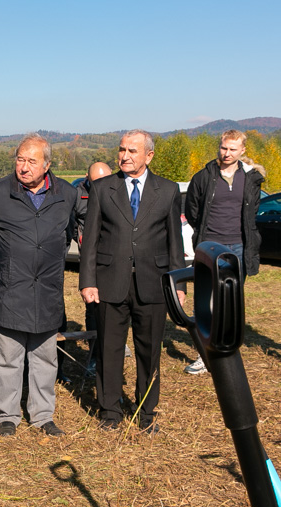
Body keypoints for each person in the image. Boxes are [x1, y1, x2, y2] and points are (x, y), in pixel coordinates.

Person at [79, 130, 186, 434]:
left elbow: (174, 244)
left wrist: (178, 285)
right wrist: (88, 281)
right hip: (110, 283)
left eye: (132, 151)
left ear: (149, 155)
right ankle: (110, 411)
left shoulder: (167, 190)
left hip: (153, 285)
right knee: (109, 349)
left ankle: (146, 412)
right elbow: (91, 241)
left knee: (149, 351)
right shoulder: (103, 189)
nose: (124, 156)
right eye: (122, 149)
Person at [0, 134, 81, 438]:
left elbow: (68, 233)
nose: (23, 167)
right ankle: (7, 416)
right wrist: (12, 257)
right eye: (20, 159)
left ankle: (42, 415)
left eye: (31, 161)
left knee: (44, 357)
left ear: (47, 165)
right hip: (10, 286)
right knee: (8, 357)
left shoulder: (66, 193)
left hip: (48, 286)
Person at [183, 130, 264, 375]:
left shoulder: (251, 179)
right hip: (210, 246)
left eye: (232, 149)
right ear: (219, 147)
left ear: (242, 151)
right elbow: (193, 211)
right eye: (223, 148)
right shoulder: (204, 177)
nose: (226, 153)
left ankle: (227, 350)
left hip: (239, 247)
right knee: (206, 300)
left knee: (231, 301)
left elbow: (252, 213)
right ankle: (205, 354)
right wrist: (207, 238)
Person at [76, 162, 113, 377]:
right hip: (90, 261)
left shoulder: (119, 189)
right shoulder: (77, 196)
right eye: (95, 181)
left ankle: (111, 347)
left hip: (113, 260)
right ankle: (93, 355)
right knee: (92, 307)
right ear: (87, 179)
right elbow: (72, 225)